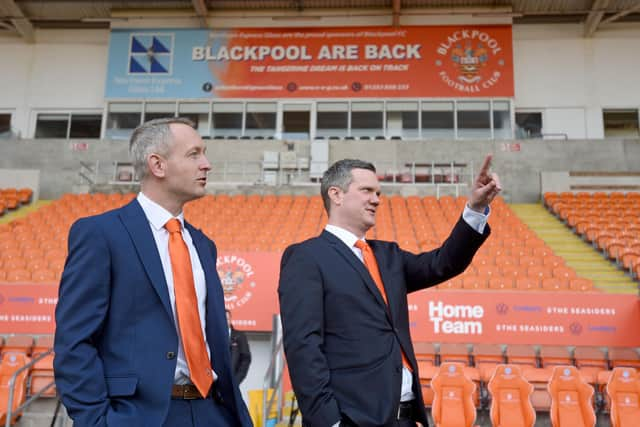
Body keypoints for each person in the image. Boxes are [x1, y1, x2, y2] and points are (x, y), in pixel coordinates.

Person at [54, 118, 253, 427]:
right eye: (194, 154)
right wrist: (97, 420)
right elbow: (74, 341)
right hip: (140, 416)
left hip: (213, 412)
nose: (207, 164)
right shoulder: (100, 234)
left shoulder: (203, 245)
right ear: (157, 165)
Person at [278, 156, 500, 427]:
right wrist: (330, 422)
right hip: (351, 420)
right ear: (335, 194)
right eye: (367, 191)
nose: (376, 199)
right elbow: (303, 345)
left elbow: (443, 263)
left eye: (379, 193)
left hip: (406, 418)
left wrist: (476, 209)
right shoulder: (306, 257)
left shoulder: (389, 256)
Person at [226, 309, 252, 384]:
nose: (224, 321)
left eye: (227, 319)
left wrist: (237, 379)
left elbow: (246, 359)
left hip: (233, 381)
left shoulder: (240, 336)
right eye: (223, 319)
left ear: (230, 320)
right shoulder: (213, 336)